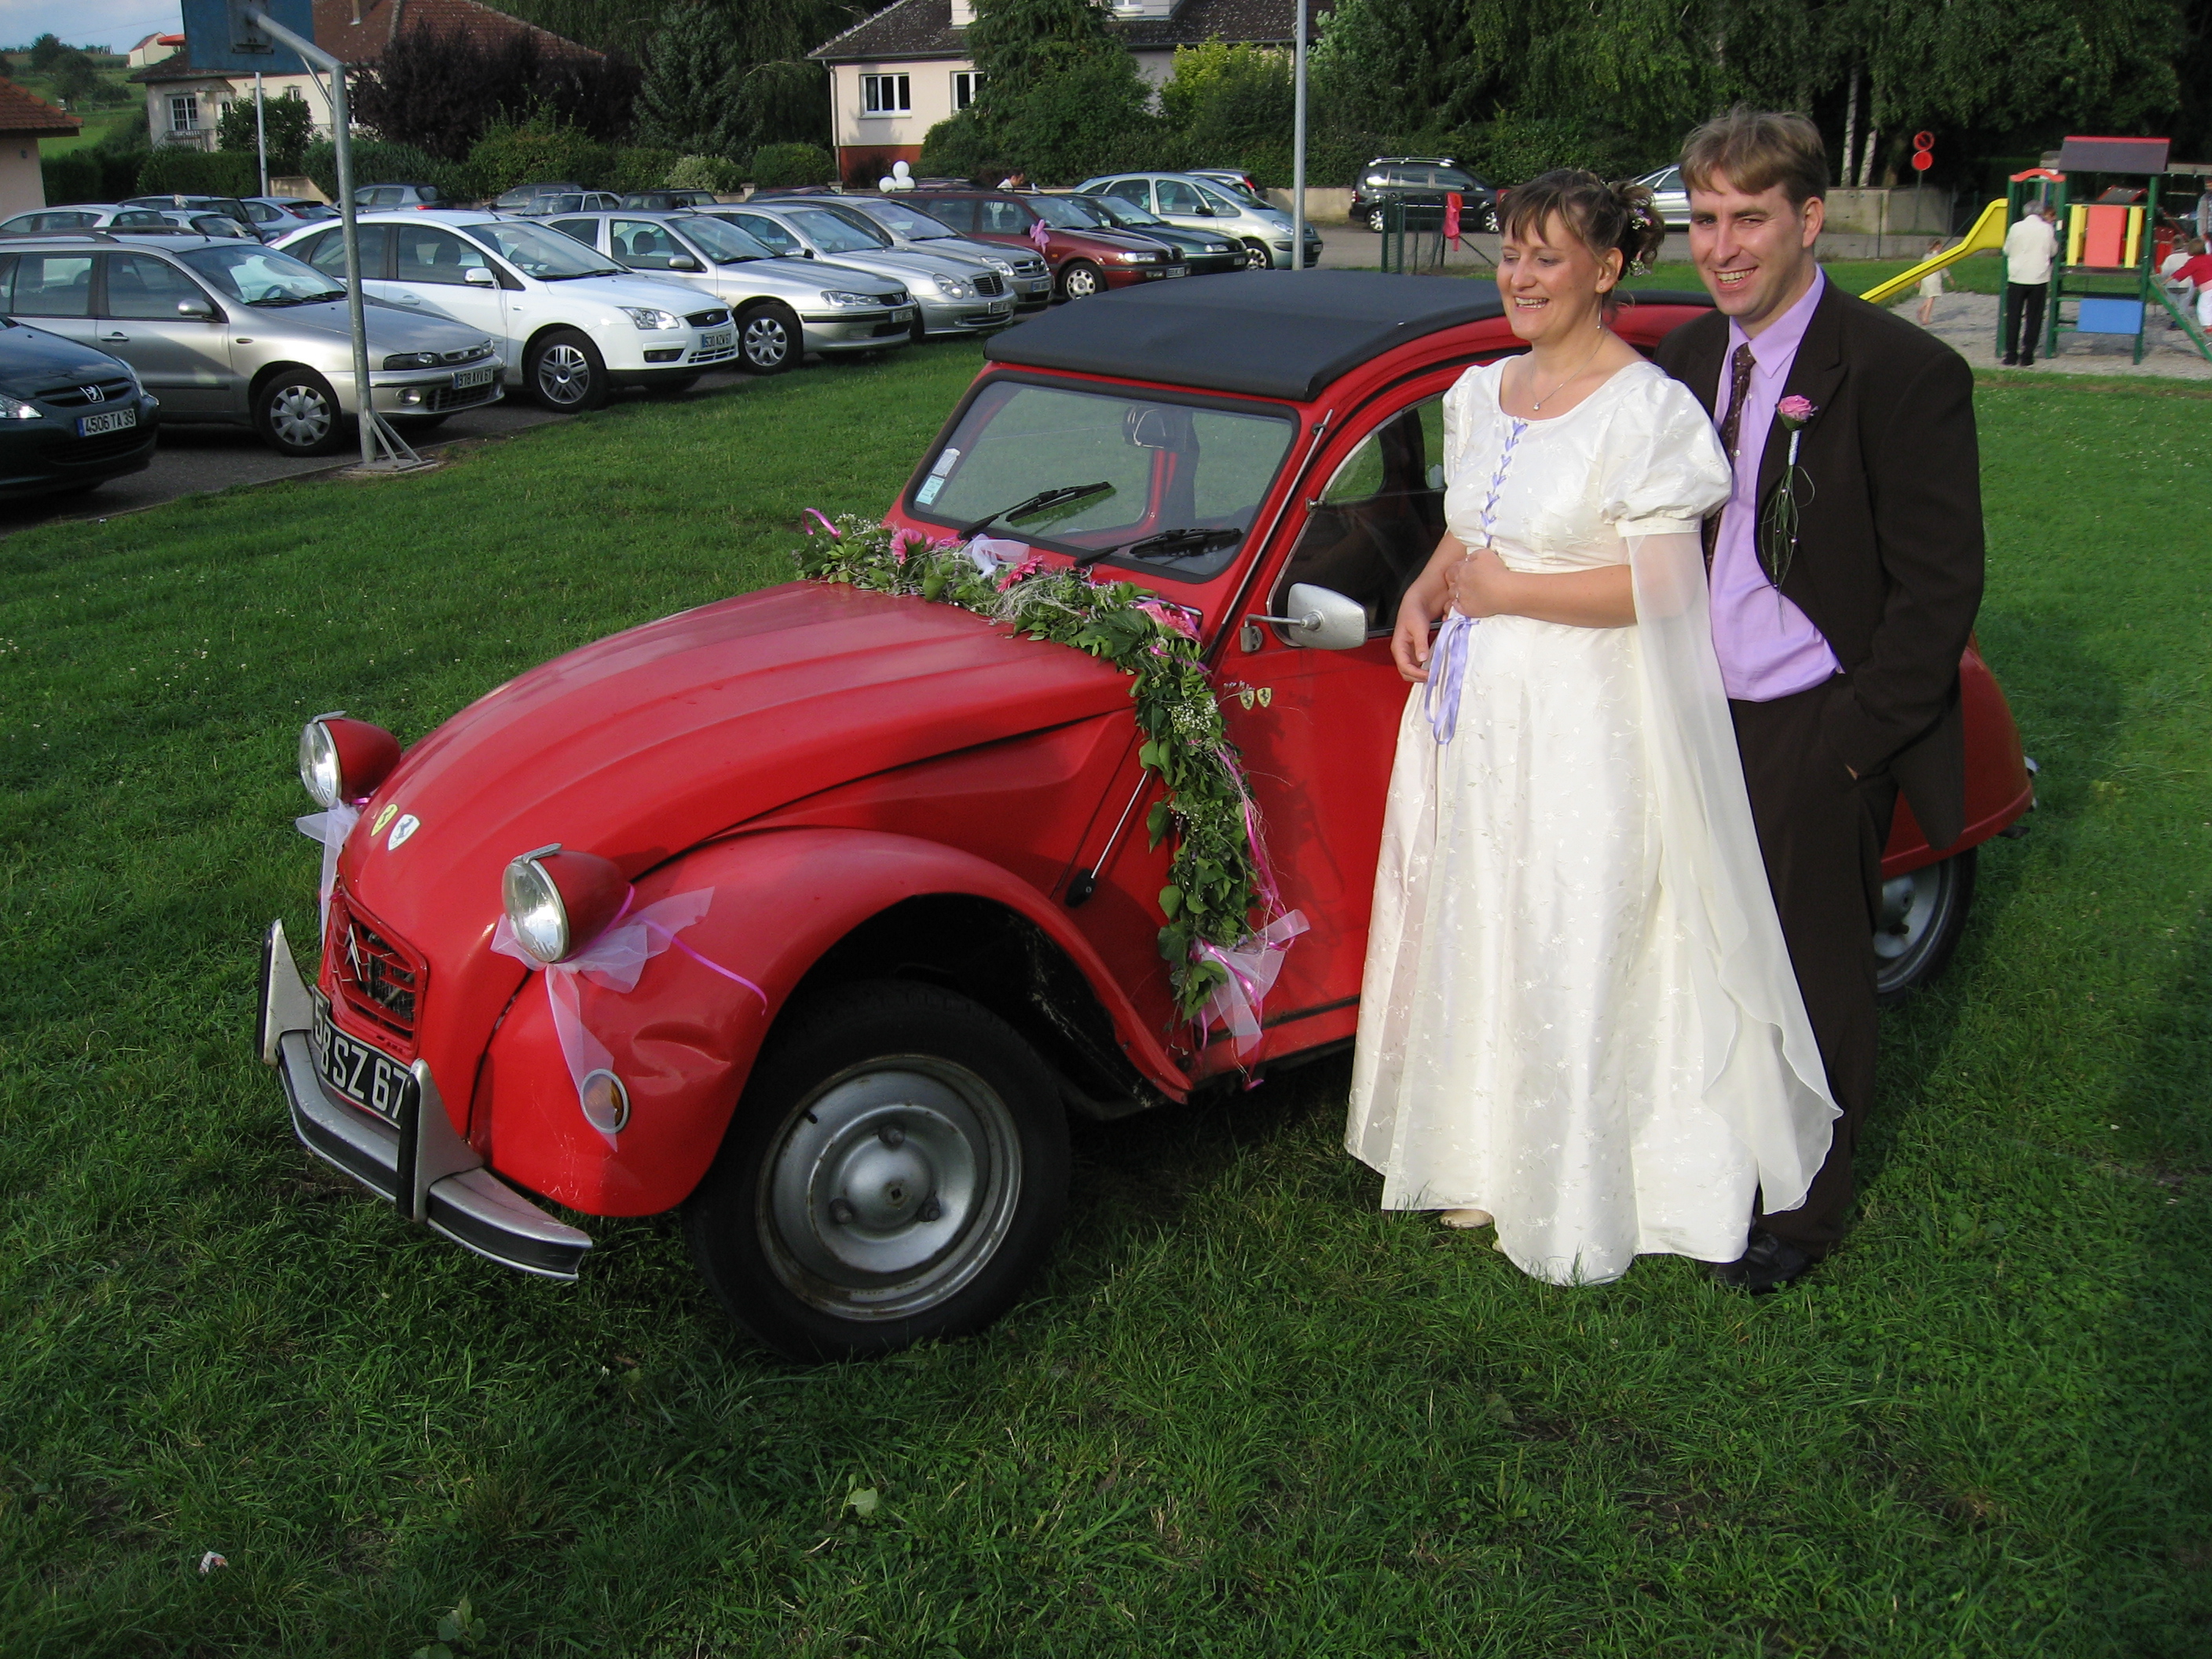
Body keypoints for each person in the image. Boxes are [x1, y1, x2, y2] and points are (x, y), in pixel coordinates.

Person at [1346, 170, 1840, 1287]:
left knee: (1575, 923)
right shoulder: (1481, 391)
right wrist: (1427, 590)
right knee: (1485, 916)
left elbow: (1662, 590)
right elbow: (1473, 525)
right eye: (1511, 254)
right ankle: (1479, 1152)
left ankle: (1581, 1180)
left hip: (1587, 719)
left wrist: (1510, 593)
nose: (1519, 277)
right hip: (1479, 719)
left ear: (1606, 268)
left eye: (1546, 257)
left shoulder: (1645, 413)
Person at [1654, 109, 1984, 1291]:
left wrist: (1850, 744)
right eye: (1705, 219)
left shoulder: (1901, 374)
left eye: (1749, 218)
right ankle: (1708, 1166)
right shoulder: (1683, 361)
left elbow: (1939, 592)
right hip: (1695, 713)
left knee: (1808, 971)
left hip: (1813, 717)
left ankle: (1800, 1215)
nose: (1723, 246)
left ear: (1809, 219)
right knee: (1702, 953)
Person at [2000, 201, 2058, 365]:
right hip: (2038, 277)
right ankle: (2028, 354)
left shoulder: (2016, 227)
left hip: (2017, 276)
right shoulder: (2047, 229)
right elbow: (2053, 250)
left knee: (2013, 316)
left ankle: (2011, 354)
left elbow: (2007, 249)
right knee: (2034, 317)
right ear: (2040, 213)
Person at [2170, 236, 2212, 329]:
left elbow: (2183, 272)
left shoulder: (2194, 262)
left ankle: (2209, 328)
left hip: (2208, 288)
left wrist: (2167, 280)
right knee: (2209, 306)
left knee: (2203, 308)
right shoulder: (2209, 257)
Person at [1914, 239, 1950, 326]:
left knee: (1930, 296)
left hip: (1925, 278)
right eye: (1940, 246)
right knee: (1931, 298)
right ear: (1937, 247)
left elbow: (1921, 268)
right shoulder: (1938, 257)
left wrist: (1918, 280)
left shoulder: (1926, 256)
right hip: (1933, 278)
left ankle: (1921, 309)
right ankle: (1925, 318)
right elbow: (1943, 268)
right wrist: (1949, 278)